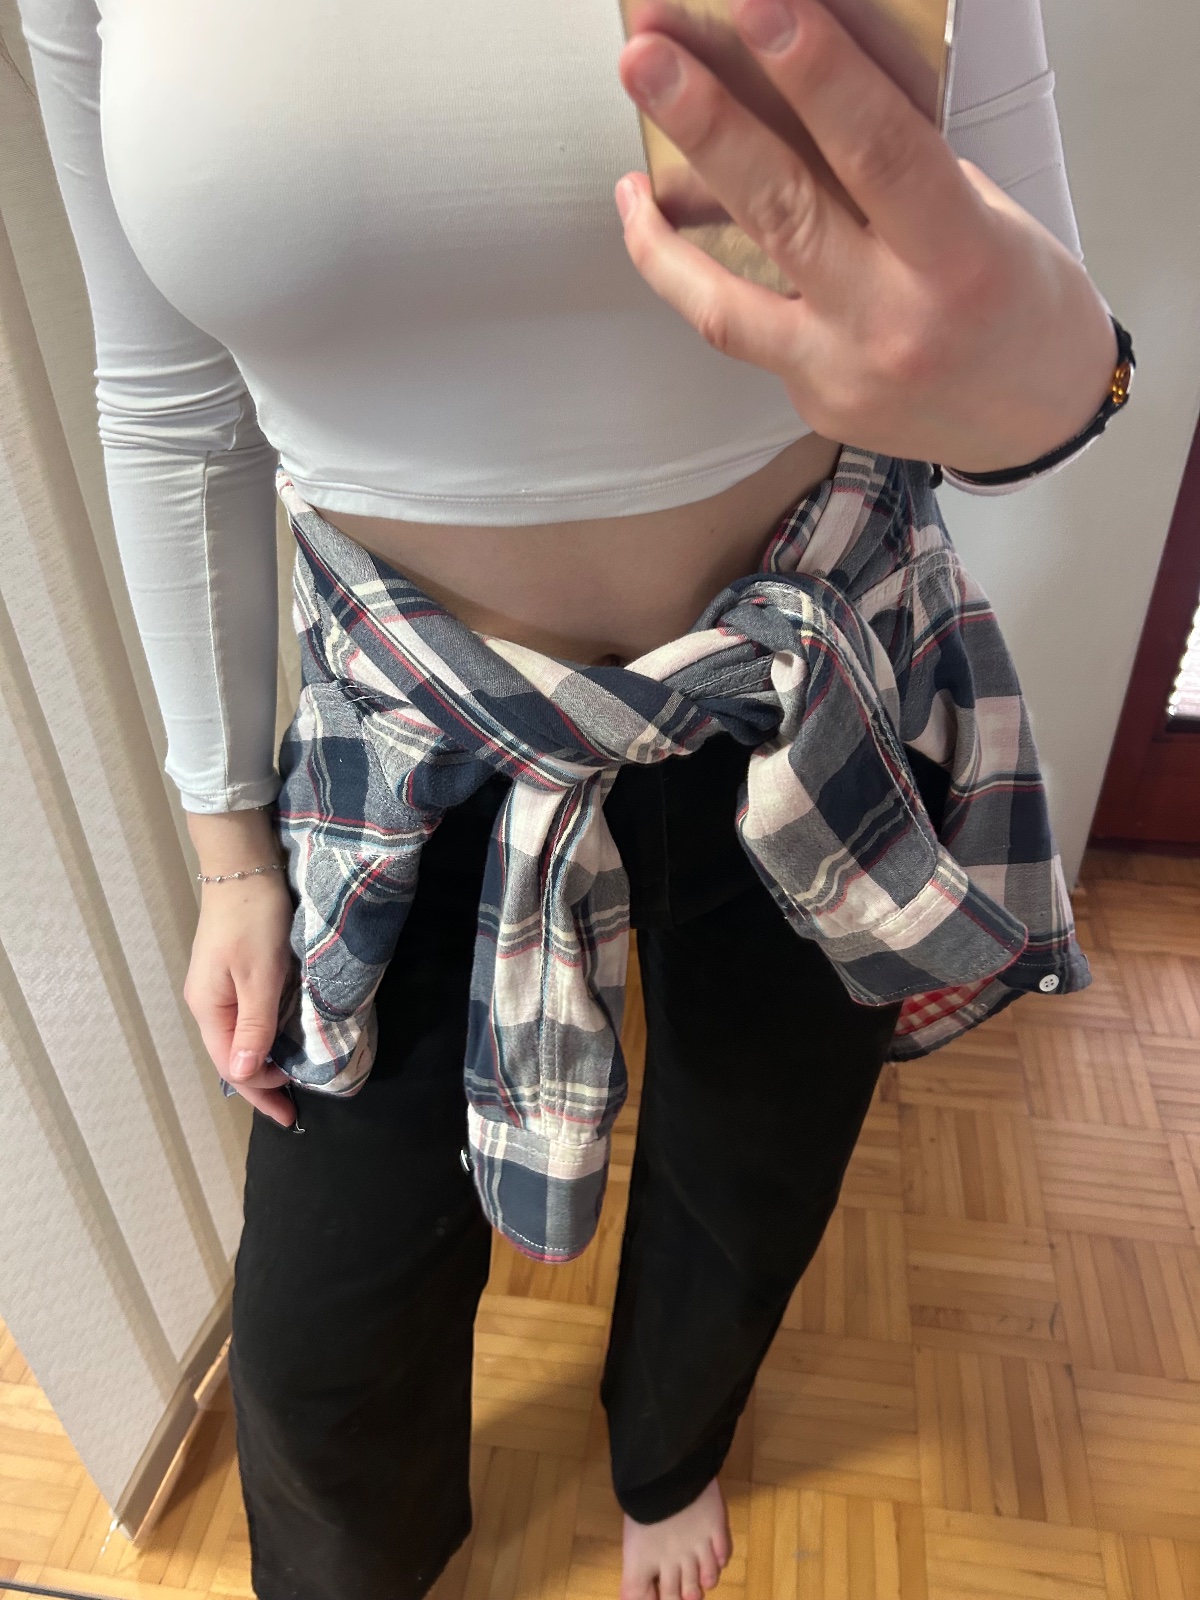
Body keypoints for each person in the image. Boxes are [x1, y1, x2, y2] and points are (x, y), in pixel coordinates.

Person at [18, 0, 1129, 1596]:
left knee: (753, 1162)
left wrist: (1054, 372)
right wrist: (231, 856)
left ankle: (670, 1444)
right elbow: (167, 393)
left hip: (800, 692)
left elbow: (1036, 356)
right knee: (323, 1313)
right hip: (407, 740)